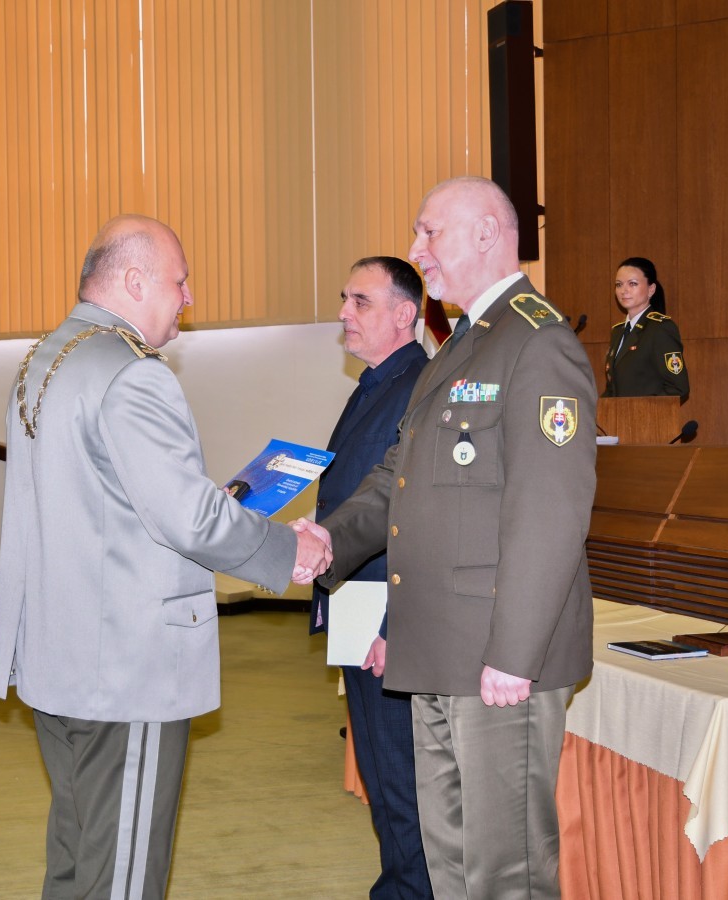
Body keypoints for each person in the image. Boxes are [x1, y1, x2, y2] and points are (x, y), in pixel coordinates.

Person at [0, 214, 330, 900]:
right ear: (135, 281)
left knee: (78, 861)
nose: (189, 298)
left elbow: (106, 502)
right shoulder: (131, 373)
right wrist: (288, 548)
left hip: (58, 659)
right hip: (126, 669)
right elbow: (188, 518)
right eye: (180, 281)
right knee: (122, 877)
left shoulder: (45, 359)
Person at [300, 176, 597, 899]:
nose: (416, 248)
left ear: (488, 233)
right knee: (450, 862)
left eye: (429, 231)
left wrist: (515, 654)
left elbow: (550, 510)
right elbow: (397, 478)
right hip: (436, 648)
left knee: (505, 871)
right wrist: (326, 541)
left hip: (495, 655)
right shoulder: (464, 344)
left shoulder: (537, 341)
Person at [310, 256, 432, 899]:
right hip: (358, 602)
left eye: (360, 301)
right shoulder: (377, 383)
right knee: (384, 777)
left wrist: (395, 624)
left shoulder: (419, 387)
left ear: (404, 314)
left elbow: (421, 519)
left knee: (403, 780)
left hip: (387, 610)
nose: (343, 313)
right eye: (344, 298)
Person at [602, 256, 689, 399]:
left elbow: (678, 388)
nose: (624, 290)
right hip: (619, 413)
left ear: (651, 289)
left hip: (648, 414)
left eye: (632, 284)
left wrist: (642, 410)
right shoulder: (618, 332)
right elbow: (612, 390)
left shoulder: (660, 328)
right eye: (619, 285)